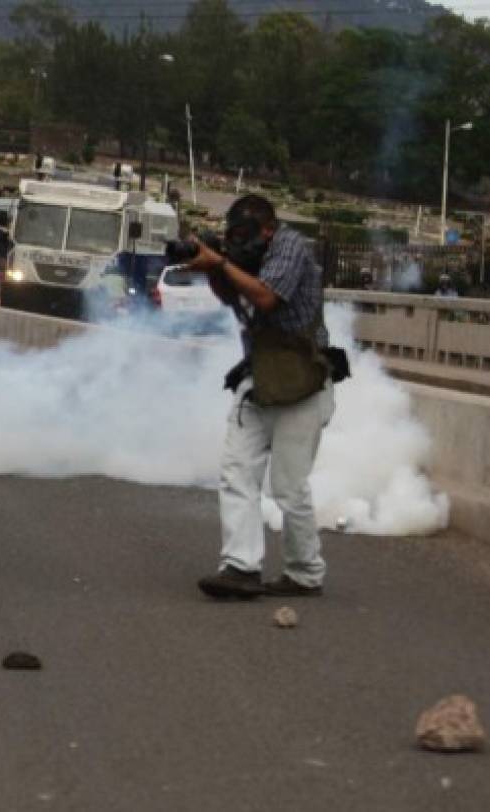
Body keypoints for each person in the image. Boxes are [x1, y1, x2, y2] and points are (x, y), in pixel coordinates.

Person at [186, 194, 336, 600]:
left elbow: (267, 296)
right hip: (260, 379)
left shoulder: (290, 246)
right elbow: (234, 299)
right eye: (233, 236)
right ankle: (240, 567)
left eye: (247, 234)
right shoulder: (241, 257)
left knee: (289, 487)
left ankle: (305, 573)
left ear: (268, 229)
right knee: (237, 472)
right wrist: (214, 266)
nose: (241, 242)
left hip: (301, 381)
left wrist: (220, 263)